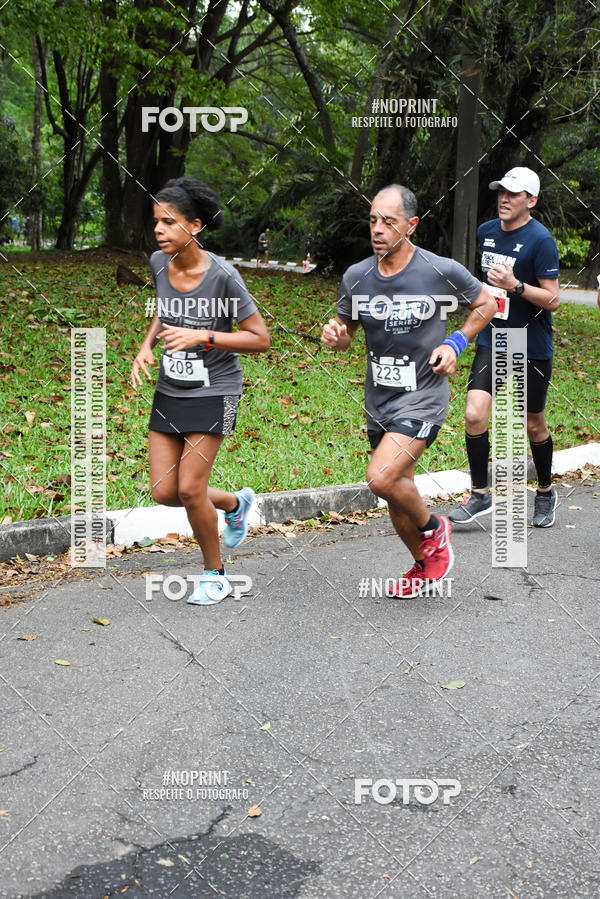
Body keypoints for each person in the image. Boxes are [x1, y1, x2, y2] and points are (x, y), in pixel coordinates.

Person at [321, 184, 496, 598]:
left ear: (411, 225)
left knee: (381, 478)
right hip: (379, 399)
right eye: (372, 220)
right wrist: (336, 336)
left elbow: (487, 304)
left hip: (424, 396)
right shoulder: (357, 276)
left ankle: (436, 528)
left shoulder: (439, 270)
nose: (377, 229)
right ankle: (423, 564)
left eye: (389, 221)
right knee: (398, 491)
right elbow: (347, 334)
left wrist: (455, 343)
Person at [131, 177, 270, 605]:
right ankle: (234, 504)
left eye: (169, 222)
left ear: (194, 226)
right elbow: (164, 308)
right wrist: (146, 345)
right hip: (171, 388)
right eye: (157, 221)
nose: (159, 230)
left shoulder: (223, 276)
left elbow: (259, 338)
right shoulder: (159, 261)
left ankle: (216, 575)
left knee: (191, 489)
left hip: (216, 388)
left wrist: (203, 337)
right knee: (164, 491)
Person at [449, 167, 560, 529]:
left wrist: (516, 286)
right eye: (501, 192)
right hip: (494, 338)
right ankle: (480, 493)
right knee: (474, 414)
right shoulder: (487, 232)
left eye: (513, 194)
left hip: (531, 343)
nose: (504, 198)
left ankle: (545, 492)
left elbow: (553, 300)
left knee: (533, 423)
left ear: (531, 200)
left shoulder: (541, 240)